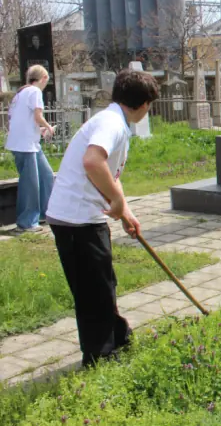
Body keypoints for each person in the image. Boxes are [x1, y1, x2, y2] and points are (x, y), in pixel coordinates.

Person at [45, 69, 159, 368]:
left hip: (82, 215)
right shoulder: (112, 124)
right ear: (144, 104)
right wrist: (118, 201)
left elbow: (107, 172)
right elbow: (92, 162)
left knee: (103, 281)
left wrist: (126, 213)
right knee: (92, 289)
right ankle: (99, 355)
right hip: (75, 218)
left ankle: (118, 336)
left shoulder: (111, 120)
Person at [4, 65, 55, 233]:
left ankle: (46, 213)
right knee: (30, 183)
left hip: (26, 143)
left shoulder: (20, 93)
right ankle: (27, 221)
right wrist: (49, 127)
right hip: (25, 146)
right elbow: (37, 116)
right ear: (44, 79)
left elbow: (21, 120)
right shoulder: (35, 92)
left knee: (46, 176)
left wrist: (38, 130)